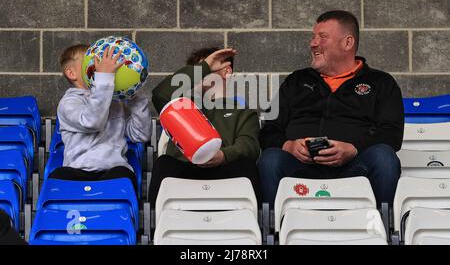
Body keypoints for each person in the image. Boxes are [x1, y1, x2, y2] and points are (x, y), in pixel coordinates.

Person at [258, 10, 404, 207]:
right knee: (270, 159)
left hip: (355, 167)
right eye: (313, 37)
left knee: (384, 158)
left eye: (322, 37)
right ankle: (274, 231)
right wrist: (289, 146)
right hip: (301, 168)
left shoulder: (381, 82)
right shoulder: (296, 81)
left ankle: (382, 228)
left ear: (347, 42)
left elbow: (392, 134)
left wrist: (353, 149)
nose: (313, 43)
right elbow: (268, 129)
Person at [149, 47, 262, 205]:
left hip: (225, 171)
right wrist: (205, 67)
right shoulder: (182, 106)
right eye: (198, 69)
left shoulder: (242, 111)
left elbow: (250, 146)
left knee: (246, 166)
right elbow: (159, 94)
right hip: (185, 171)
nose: (200, 73)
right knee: (163, 164)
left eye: (209, 67)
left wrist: (223, 156)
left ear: (226, 71)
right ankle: (156, 224)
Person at [49, 44, 152, 192]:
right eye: (91, 61)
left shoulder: (115, 101)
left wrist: (135, 94)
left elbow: (140, 135)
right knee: (58, 176)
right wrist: (104, 78)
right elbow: (92, 121)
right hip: (77, 171)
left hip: (113, 170)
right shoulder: (68, 103)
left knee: (124, 175)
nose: (100, 66)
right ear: (71, 73)